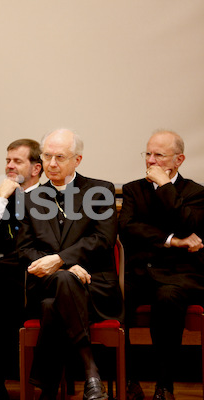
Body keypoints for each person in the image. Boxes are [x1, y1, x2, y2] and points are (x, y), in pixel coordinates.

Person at [16, 129, 123, 400]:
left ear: (77, 160)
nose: (51, 164)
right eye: (47, 156)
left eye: (60, 157)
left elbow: (103, 239)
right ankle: (91, 371)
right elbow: (24, 249)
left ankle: (48, 389)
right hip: (48, 283)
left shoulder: (100, 191)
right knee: (64, 280)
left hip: (94, 287)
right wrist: (63, 268)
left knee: (54, 305)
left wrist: (63, 259)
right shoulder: (30, 198)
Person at [119, 130, 204, 400]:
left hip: (178, 275)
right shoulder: (133, 189)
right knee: (115, 293)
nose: (151, 161)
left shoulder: (196, 192)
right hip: (140, 270)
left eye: (159, 155)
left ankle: (164, 384)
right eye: (148, 154)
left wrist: (165, 187)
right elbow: (128, 228)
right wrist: (171, 240)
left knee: (167, 298)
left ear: (178, 160)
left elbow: (188, 225)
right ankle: (129, 379)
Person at [0, 138, 42, 400]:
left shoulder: (51, 197)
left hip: (40, 272)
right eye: (7, 160)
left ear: (36, 168)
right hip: (5, 275)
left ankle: (41, 379)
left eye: (17, 161)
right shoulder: (1, 199)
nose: (9, 166)